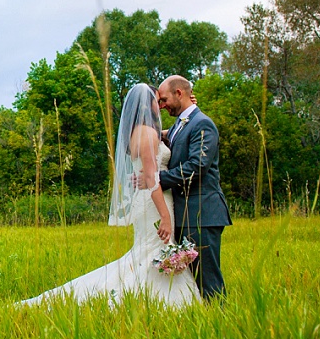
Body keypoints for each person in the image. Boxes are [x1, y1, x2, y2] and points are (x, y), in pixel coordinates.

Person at [18, 83, 199, 308]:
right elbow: (153, 180)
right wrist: (165, 217)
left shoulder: (138, 133)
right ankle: (160, 302)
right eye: (156, 100)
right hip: (156, 201)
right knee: (155, 250)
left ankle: (150, 298)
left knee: (145, 254)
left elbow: (165, 139)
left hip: (143, 201)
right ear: (147, 104)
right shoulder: (150, 134)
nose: (160, 104)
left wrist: (186, 115)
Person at [156, 75, 232, 302]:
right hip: (186, 213)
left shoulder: (202, 123)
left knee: (207, 279)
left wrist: (157, 179)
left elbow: (197, 166)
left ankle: (221, 323)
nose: (162, 106)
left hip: (203, 213)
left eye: (164, 99)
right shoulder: (181, 123)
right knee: (191, 280)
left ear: (179, 93)